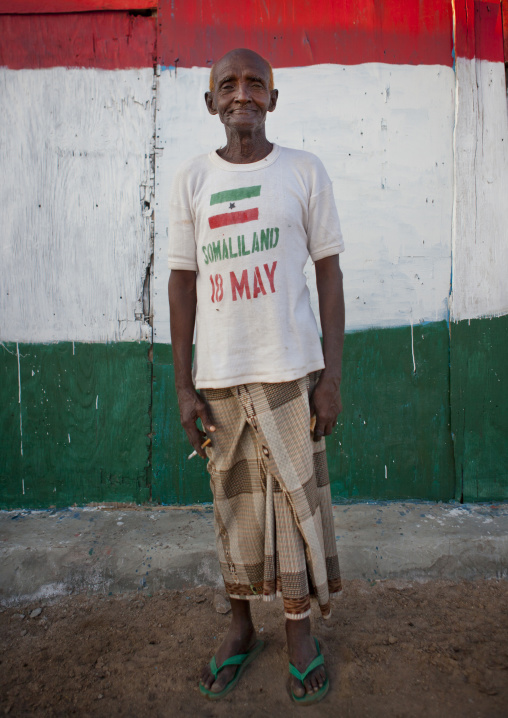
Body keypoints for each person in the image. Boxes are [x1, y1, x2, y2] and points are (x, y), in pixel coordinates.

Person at [167, 48, 345, 705]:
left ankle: (300, 633)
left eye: (254, 84)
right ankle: (241, 627)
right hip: (220, 376)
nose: (241, 94)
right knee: (233, 510)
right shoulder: (191, 180)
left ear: (274, 98)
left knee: (298, 510)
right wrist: (184, 384)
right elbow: (182, 282)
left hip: (291, 370)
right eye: (228, 85)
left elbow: (329, 273)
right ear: (210, 102)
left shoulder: (304, 173)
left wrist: (331, 376)